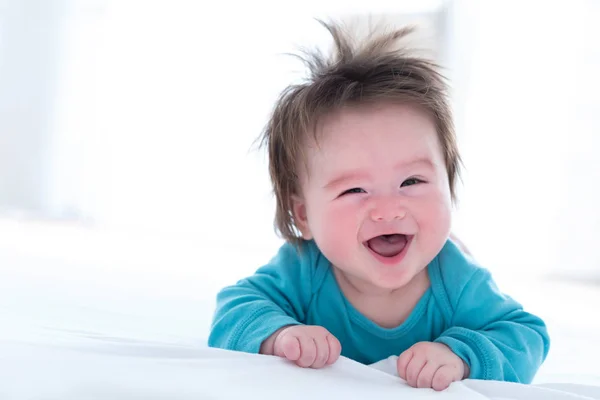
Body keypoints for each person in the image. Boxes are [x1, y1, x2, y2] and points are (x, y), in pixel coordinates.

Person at [208, 20, 549, 391]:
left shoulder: (456, 279)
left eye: (412, 182)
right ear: (304, 215)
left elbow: (525, 336)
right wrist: (280, 334)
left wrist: (461, 355)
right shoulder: (304, 269)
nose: (389, 210)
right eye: (355, 190)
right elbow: (234, 311)